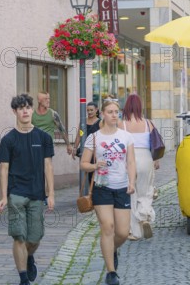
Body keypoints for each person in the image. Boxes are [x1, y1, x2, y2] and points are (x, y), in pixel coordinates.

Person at [0, 94, 54, 285]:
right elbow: (4, 169)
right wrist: (4, 196)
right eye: (21, 108)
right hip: (16, 194)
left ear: (32, 110)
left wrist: (51, 193)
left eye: (28, 107)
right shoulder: (8, 140)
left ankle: (29, 257)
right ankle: (23, 279)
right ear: (15, 112)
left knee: (35, 237)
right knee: (19, 236)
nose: (25, 111)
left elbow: (48, 166)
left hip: (37, 194)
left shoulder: (43, 137)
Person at [81, 100, 136, 285]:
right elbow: (83, 164)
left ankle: (111, 249)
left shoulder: (126, 136)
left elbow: (130, 162)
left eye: (116, 112)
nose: (114, 115)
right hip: (102, 188)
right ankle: (111, 272)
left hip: (122, 188)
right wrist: (95, 165)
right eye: (110, 112)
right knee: (108, 227)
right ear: (102, 114)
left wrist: (132, 182)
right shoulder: (94, 137)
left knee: (122, 232)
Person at [118, 94, 158, 241]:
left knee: (131, 193)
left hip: (129, 159)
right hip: (146, 158)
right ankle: (145, 215)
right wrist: (156, 160)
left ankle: (135, 232)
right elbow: (156, 143)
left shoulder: (121, 124)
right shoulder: (148, 123)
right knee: (146, 190)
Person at [32, 91, 74, 159]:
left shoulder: (53, 114)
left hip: (48, 146)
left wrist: (68, 145)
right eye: (45, 99)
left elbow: (61, 130)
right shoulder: (32, 114)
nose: (48, 101)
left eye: (49, 98)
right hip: (35, 146)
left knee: (47, 167)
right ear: (39, 100)